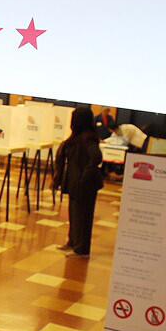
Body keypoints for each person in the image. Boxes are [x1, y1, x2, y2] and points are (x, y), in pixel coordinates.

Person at [54, 105, 105, 258]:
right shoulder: (78, 137)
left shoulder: (88, 138)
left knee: (83, 216)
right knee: (75, 214)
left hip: (85, 185)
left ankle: (81, 249)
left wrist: (85, 176)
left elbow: (96, 158)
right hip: (76, 183)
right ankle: (73, 242)